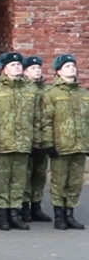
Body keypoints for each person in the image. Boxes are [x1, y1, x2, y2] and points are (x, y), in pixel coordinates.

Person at [0, 52, 36, 231]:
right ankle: (2, 214)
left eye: (18, 65)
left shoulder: (29, 90)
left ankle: (15, 213)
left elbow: (37, 117)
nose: (17, 67)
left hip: (23, 142)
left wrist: (36, 140)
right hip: (3, 142)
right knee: (1, 180)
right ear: (5, 69)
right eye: (12, 65)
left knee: (19, 180)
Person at [41, 54, 86, 230]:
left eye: (73, 66)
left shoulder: (83, 94)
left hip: (80, 145)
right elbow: (46, 121)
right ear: (59, 71)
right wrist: (49, 144)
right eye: (67, 66)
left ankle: (70, 214)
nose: (71, 69)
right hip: (61, 145)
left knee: (75, 183)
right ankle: (59, 215)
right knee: (59, 182)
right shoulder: (52, 94)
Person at [21, 56, 53, 223]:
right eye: (33, 68)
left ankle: (36, 205)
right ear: (25, 72)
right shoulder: (23, 90)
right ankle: (25, 206)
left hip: (43, 138)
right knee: (25, 174)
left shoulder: (47, 90)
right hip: (27, 138)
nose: (37, 71)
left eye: (39, 68)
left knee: (39, 174)